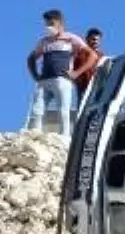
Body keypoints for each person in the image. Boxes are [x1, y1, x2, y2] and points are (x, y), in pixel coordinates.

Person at [26, 9, 97, 138]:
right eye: (47, 24)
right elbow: (31, 58)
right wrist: (35, 76)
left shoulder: (71, 39)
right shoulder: (44, 41)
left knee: (63, 109)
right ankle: (33, 134)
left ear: (60, 23)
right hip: (44, 80)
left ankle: (64, 136)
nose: (49, 27)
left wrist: (76, 73)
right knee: (37, 108)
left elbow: (92, 55)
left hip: (62, 79)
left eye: (51, 23)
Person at [73, 27, 105, 99]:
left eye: (98, 40)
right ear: (87, 39)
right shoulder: (80, 53)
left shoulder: (101, 56)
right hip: (83, 87)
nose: (95, 42)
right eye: (93, 39)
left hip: (97, 88)